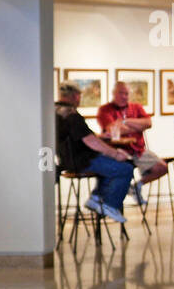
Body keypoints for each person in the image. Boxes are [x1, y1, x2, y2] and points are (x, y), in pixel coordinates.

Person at [55, 82, 135, 225]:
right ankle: (110, 204)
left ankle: (96, 198)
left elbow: (78, 137)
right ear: (75, 96)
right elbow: (90, 141)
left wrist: (98, 137)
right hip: (82, 161)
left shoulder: (54, 112)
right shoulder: (72, 115)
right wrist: (115, 154)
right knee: (126, 168)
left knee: (110, 168)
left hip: (65, 161)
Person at [96, 80, 167, 208]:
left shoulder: (136, 107)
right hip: (119, 151)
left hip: (138, 150)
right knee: (122, 170)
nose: (124, 96)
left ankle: (136, 187)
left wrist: (125, 121)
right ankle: (108, 201)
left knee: (162, 167)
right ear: (114, 93)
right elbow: (112, 129)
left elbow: (148, 123)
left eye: (127, 94)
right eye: (121, 93)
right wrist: (136, 127)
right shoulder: (105, 110)